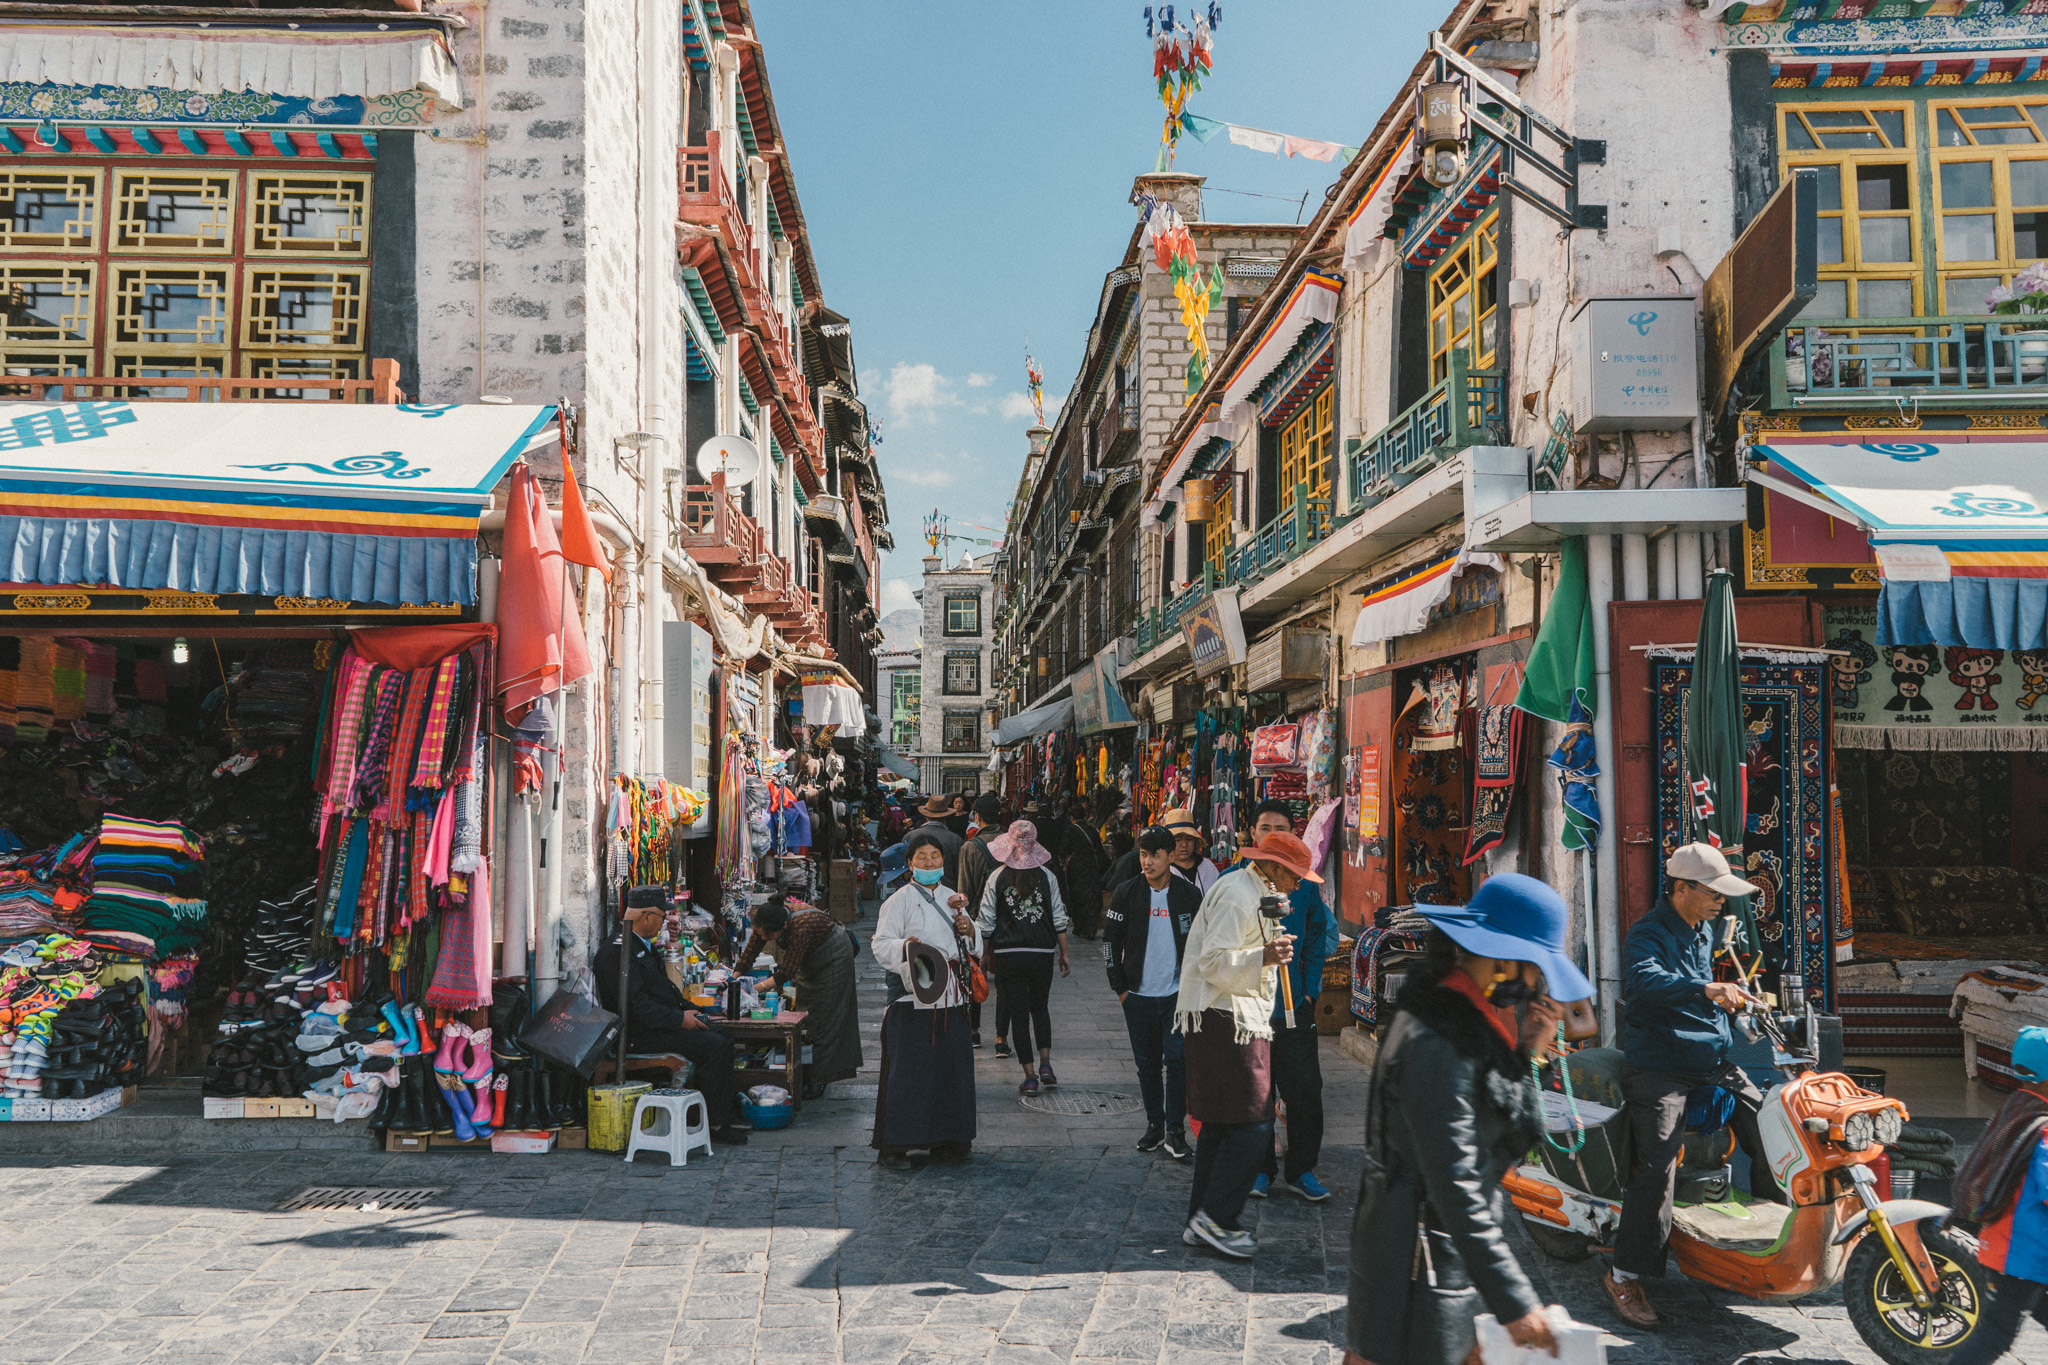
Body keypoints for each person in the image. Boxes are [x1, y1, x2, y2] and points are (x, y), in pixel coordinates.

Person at [1344, 873, 1580, 1365]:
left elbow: (1483, 1121)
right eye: (1535, 967)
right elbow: (1456, 1180)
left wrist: (1529, 1050)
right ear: (1502, 960)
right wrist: (1515, 1303)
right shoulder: (1438, 1042)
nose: (1537, 983)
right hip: (1412, 1252)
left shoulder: (1461, 1017)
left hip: (1438, 1246)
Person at [1605, 842, 1783, 1330]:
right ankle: (1623, 1275)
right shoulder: (1646, 934)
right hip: (1659, 1065)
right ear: (1681, 889)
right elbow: (1644, 983)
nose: (1721, 902)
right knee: (1658, 1162)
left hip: (1710, 1059)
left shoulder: (1703, 931)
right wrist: (1705, 989)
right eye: (1713, 893)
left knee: (1774, 1125)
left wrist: (1728, 1000)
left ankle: (1775, 1239)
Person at [1174, 830, 1314, 1259]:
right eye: (1294, 876)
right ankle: (1217, 1217)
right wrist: (1265, 957)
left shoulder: (1250, 889)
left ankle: (1202, 1218)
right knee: (1254, 1122)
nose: (1297, 884)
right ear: (1274, 867)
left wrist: (1266, 952)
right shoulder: (1238, 894)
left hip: (1228, 1017)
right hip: (1225, 1019)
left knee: (1221, 1125)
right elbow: (1213, 961)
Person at [1232, 800, 1339, 1203]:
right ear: (1253, 833)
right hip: (1249, 1010)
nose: (1272, 834)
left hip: (1296, 1009)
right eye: (1264, 827)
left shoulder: (1305, 885)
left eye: (1281, 828)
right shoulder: (1234, 881)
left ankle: (1302, 1169)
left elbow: (1316, 939)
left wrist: (1310, 989)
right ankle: (1261, 1169)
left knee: (1306, 1091)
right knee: (1255, 1095)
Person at [593, 888, 747, 1145]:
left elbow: (664, 992)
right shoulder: (619, 950)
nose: (666, 922)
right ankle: (716, 1124)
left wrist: (694, 1010)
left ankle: (715, 1114)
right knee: (715, 1045)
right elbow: (638, 1007)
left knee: (722, 1034)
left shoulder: (643, 944)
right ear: (646, 916)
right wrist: (680, 1019)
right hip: (638, 1035)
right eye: (663, 916)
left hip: (658, 1024)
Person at [870, 830, 982, 1169]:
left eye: (934, 856)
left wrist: (969, 931)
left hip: (951, 997)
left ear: (942, 861)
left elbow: (976, 948)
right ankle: (897, 1145)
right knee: (908, 1074)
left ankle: (949, 1140)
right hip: (912, 999)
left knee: (951, 1072)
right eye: (922, 857)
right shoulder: (899, 900)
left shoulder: (954, 899)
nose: (929, 861)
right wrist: (906, 947)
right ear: (909, 864)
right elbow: (880, 944)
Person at [1954, 1025, 2048, 1365]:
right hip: (2024, 1256)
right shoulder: (2043, 1127)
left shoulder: (2017, 1109)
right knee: (1995, 1335)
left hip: (2004, 1245)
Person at [1104, 825, 1198, 1161]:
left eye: (1155, 855)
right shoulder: (1127, 892)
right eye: (1144, 854)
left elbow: (1200, 945)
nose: (1148, 862)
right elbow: (1110, 941)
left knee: (1177, 1063)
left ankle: (1176, 1130)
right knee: (1146, 1065)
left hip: (1177, 995)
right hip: (1138, 997)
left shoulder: (1189, 895)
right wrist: (1121, 989)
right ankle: (1154, 1125)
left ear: (1171, 856)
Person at [975, 819, 1072, 1097]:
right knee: (1040, 1008)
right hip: (1042, 953)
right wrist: (1063, 952)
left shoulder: (997, 877)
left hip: (1008, 955)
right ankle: (1045, 1064)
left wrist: (983, 954)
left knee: (1018, 1014)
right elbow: (1059, 917)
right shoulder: (1047, 876)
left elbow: (986, 920)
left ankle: (1029, 1077)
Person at [735, 896, 861, 1100]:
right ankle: (809, 1073)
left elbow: (786, 972)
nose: (763, 937)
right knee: (804, 1011)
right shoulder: (767, 920)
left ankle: (817, 1080)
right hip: (812, 955)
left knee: (822, 1015)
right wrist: (735, 979)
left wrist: (752, 989)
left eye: (769, 935)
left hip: (833, 956)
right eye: (759, 933)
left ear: (783, 927)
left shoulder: (800, 928)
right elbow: (751, 951)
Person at [957, 793, 1004, 1048]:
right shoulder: (1013, 843)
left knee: (975, 975)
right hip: (1009, 920)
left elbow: (964, 891)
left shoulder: (971, 847)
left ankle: (974, 1031)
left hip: (977, 921)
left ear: (977, 816)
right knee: (1005, 982)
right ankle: (1001, 1037)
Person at [1159, 807, 1221, 893]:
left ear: (1194, 841)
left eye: (1189, 839)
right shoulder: (1159, 870)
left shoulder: (1208, 867)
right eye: (1178, 840)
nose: (1184, 844)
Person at [909, 795, 964, 887]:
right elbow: (960, 872)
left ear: (926, 817)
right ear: (945, 818)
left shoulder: (910, 836)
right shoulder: (955, 839)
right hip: (948, 890)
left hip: (916, 889)